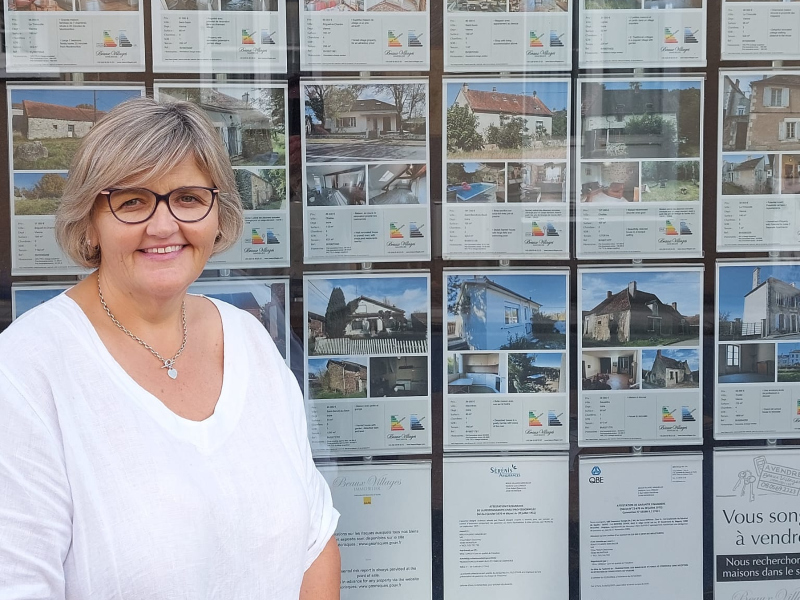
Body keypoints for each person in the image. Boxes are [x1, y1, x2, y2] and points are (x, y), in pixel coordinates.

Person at [0, 97, 340, 598]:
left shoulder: (247, 340)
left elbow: (315, 539)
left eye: (187, 197)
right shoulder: (27, 368)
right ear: (90, 219)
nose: (163, 226)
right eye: (132, 201)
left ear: (217, 214)